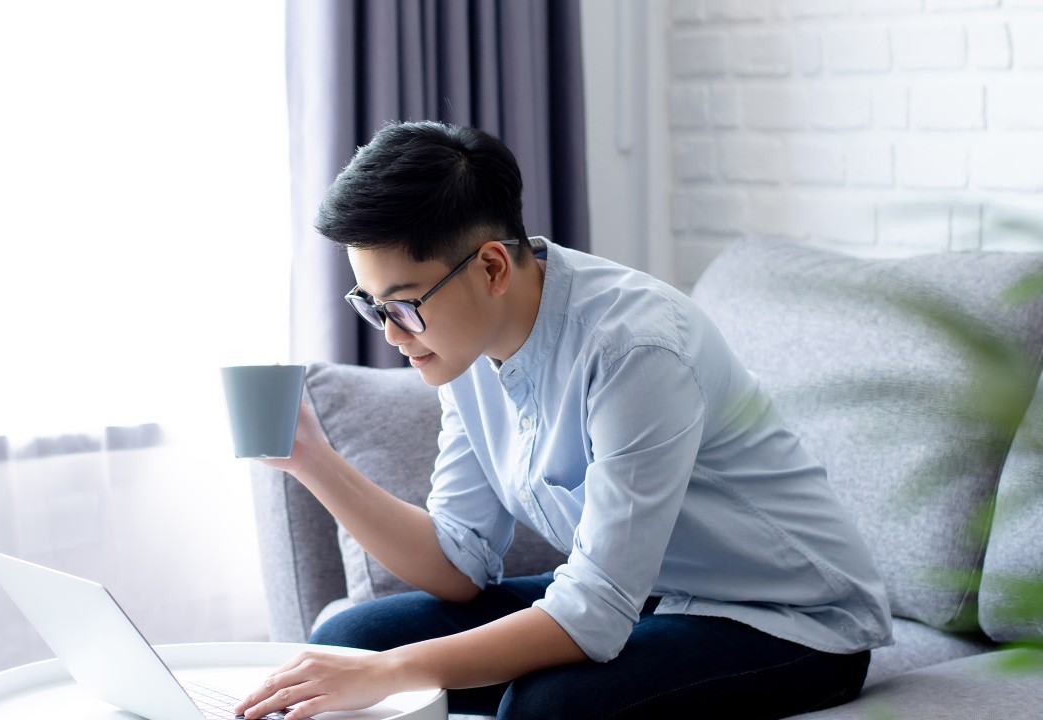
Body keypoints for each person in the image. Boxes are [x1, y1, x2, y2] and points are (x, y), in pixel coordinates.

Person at [235, 121, 893, 720]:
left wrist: (393, 670)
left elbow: (594, 611)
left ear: (491, 266)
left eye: (403, 306)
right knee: (343, 642)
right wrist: (312, 462)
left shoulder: (635, 347)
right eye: (372, 306)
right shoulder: (462, 350)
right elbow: (459, 562)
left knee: (545, 709)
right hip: (645, 596)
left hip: (786, 617)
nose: (391, 334)